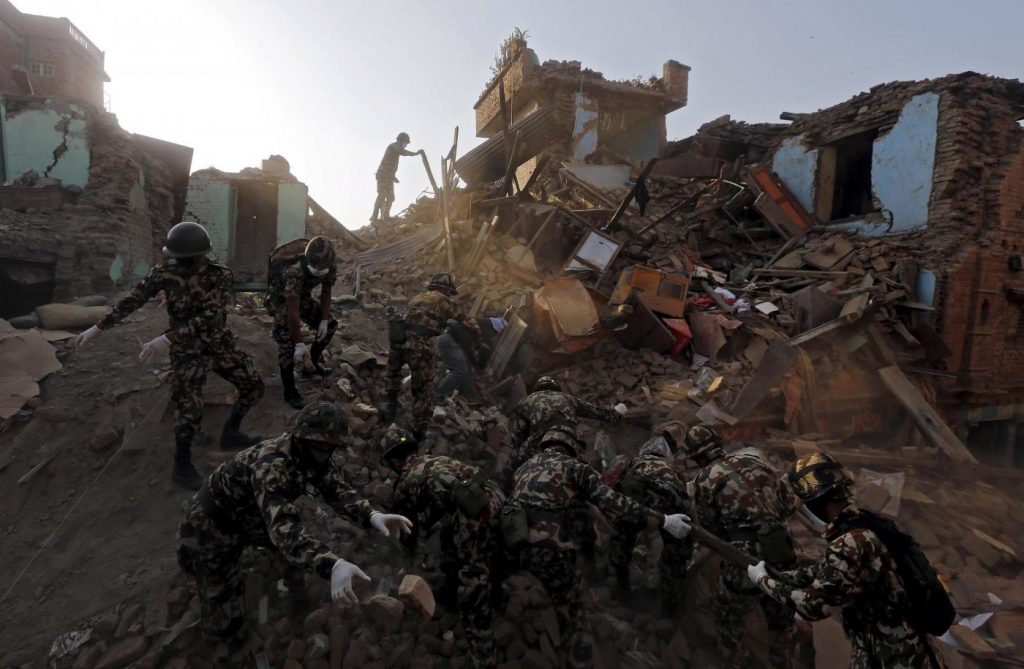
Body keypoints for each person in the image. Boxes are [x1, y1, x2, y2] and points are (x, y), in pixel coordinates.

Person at [176, 401, 413, 667]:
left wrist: (371, 515)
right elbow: (284, 532)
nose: (327, 453)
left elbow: (336, 489)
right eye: (323, 446)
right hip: (210, 526)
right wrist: (332, 565)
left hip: (250, 514)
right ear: (302, 438)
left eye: (332, 447)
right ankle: (231, 653)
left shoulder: (312, 453)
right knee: (221, 603)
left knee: (289, 558)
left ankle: (295, 599)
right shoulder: (273, 466)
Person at [74, 221, 264, 489]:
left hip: (218, 344)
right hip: (187, 352)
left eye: (188, 259)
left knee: (253, 385)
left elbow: (210, 316)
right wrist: (97, 329)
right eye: (178, 258)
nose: (182, 264)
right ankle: (182, 467)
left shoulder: (219, 276)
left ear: (202, 255)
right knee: (189, 410)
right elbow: (134, 299)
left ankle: (231, 432)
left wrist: (165, 339)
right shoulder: (164, 272)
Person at [508, 427, 692, 669]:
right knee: (574, 615)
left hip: (516, 544)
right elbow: (613, 502)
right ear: (571, 446)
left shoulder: (523, 467)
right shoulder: (574, 467)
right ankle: (578, 659)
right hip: (551, 547)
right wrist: (664, 520)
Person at [747, 452, 946, 668]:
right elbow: (830, 572)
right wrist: (785, 576)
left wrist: (763, 580)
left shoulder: (851, 542)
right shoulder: (864, 523)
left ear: (815, 502)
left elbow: (813, 607)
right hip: (900, 646)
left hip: (892, 656)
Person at [381, 424, 504, 669]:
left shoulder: (405, 482)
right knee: (479, 547)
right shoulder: (437, 460)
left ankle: (483, 654)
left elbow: (408, 532)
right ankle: (495, 593)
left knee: (472, 585)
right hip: (496, 497)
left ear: (394, 460)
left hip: (474, 514)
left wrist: (407, 568)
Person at [686, 424, 798, 669]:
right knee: (782, 618)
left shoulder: (704, 480)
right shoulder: (756, 462)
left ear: (697, 457)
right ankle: (784, 662)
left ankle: (739, 664)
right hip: (782, 548)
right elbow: (789, 504)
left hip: (745, 557)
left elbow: (711, 531)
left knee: (728, 616)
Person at [609, 421, 693, 615]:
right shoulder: (671, 469)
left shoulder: (633, 463)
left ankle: (622, 591)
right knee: (677, 551)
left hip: (633, 503)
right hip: (666, 508)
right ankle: (670, 606)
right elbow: (684, 502)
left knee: (621, 542)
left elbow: (617, 491)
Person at [384, 273, 483, 438]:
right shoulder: (444, 301)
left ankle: (390, 411)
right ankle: (419, 432)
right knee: (423, 389)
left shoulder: (418, 298)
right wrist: (479, 341)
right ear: (447, 290)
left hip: (398, 341)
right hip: (418, 345)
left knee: (393, 374)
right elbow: (470, 323)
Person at [266, 236, 339, 409]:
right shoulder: (295, 271)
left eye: (323, 266)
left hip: (302, 295)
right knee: (287, 343)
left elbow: (326, 291)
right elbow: (293, 311)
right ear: (309, 259)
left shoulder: (330, 265)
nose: (319, 269)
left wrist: (323, 320)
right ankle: (290, 391)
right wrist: (299, 343)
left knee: (331, 325)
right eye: (316, 265)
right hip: (280, 299)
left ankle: (310, 366)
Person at [436, 316, 506, 399]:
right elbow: (483, 352)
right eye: (497, 333)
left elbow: (469, 349)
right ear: (495, 330)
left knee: (461, 367)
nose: (495, 335)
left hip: (446, 337)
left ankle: (448, 388)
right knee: (460, 371)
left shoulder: (479, 321)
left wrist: (474, 363)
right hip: (450, 342)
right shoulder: (486, 332)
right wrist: (480, 366)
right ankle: (439, 394)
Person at [371, 132, 424, 227]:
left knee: (391, 197)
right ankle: (374, 217)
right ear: (400, 141)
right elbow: (402, 152)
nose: (406, 145)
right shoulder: (393, 146)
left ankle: (386, 216)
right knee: (382, 194)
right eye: (405, 143)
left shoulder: (396, 149)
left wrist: (393, 177)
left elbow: (391, 165)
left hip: (389, 177)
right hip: (383, 175)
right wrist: (415, 153)